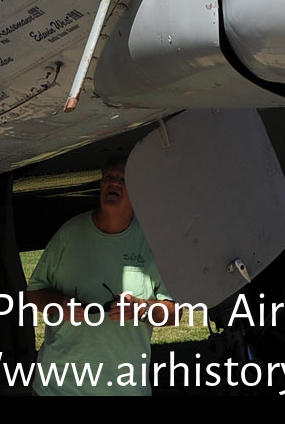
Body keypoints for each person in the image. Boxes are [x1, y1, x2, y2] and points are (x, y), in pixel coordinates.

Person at [26, 156, 175, 396]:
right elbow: (34, 292)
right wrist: (59, 305)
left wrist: (143, 310)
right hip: (58, 389)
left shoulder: (151, 243)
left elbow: (172, 313)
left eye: (123, 180)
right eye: (109, 178)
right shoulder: (69, 234)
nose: (114, 184)